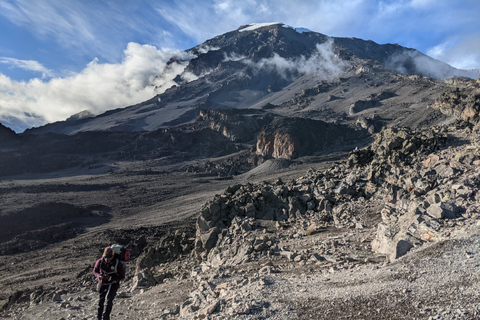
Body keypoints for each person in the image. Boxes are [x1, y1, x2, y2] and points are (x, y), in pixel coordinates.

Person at [93, 246, 126, 320]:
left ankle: (106, 318)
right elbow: (95, 271)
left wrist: (110, 278)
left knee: (109, 301)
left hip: (113, 283)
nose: (107, 259)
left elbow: (122, 276)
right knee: (101, 301)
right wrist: (99, 276)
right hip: (103, 283)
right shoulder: (100, 262)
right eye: (106, 257)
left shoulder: (118, 263)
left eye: (109, 257)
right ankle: (99, 318)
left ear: (113, 256)